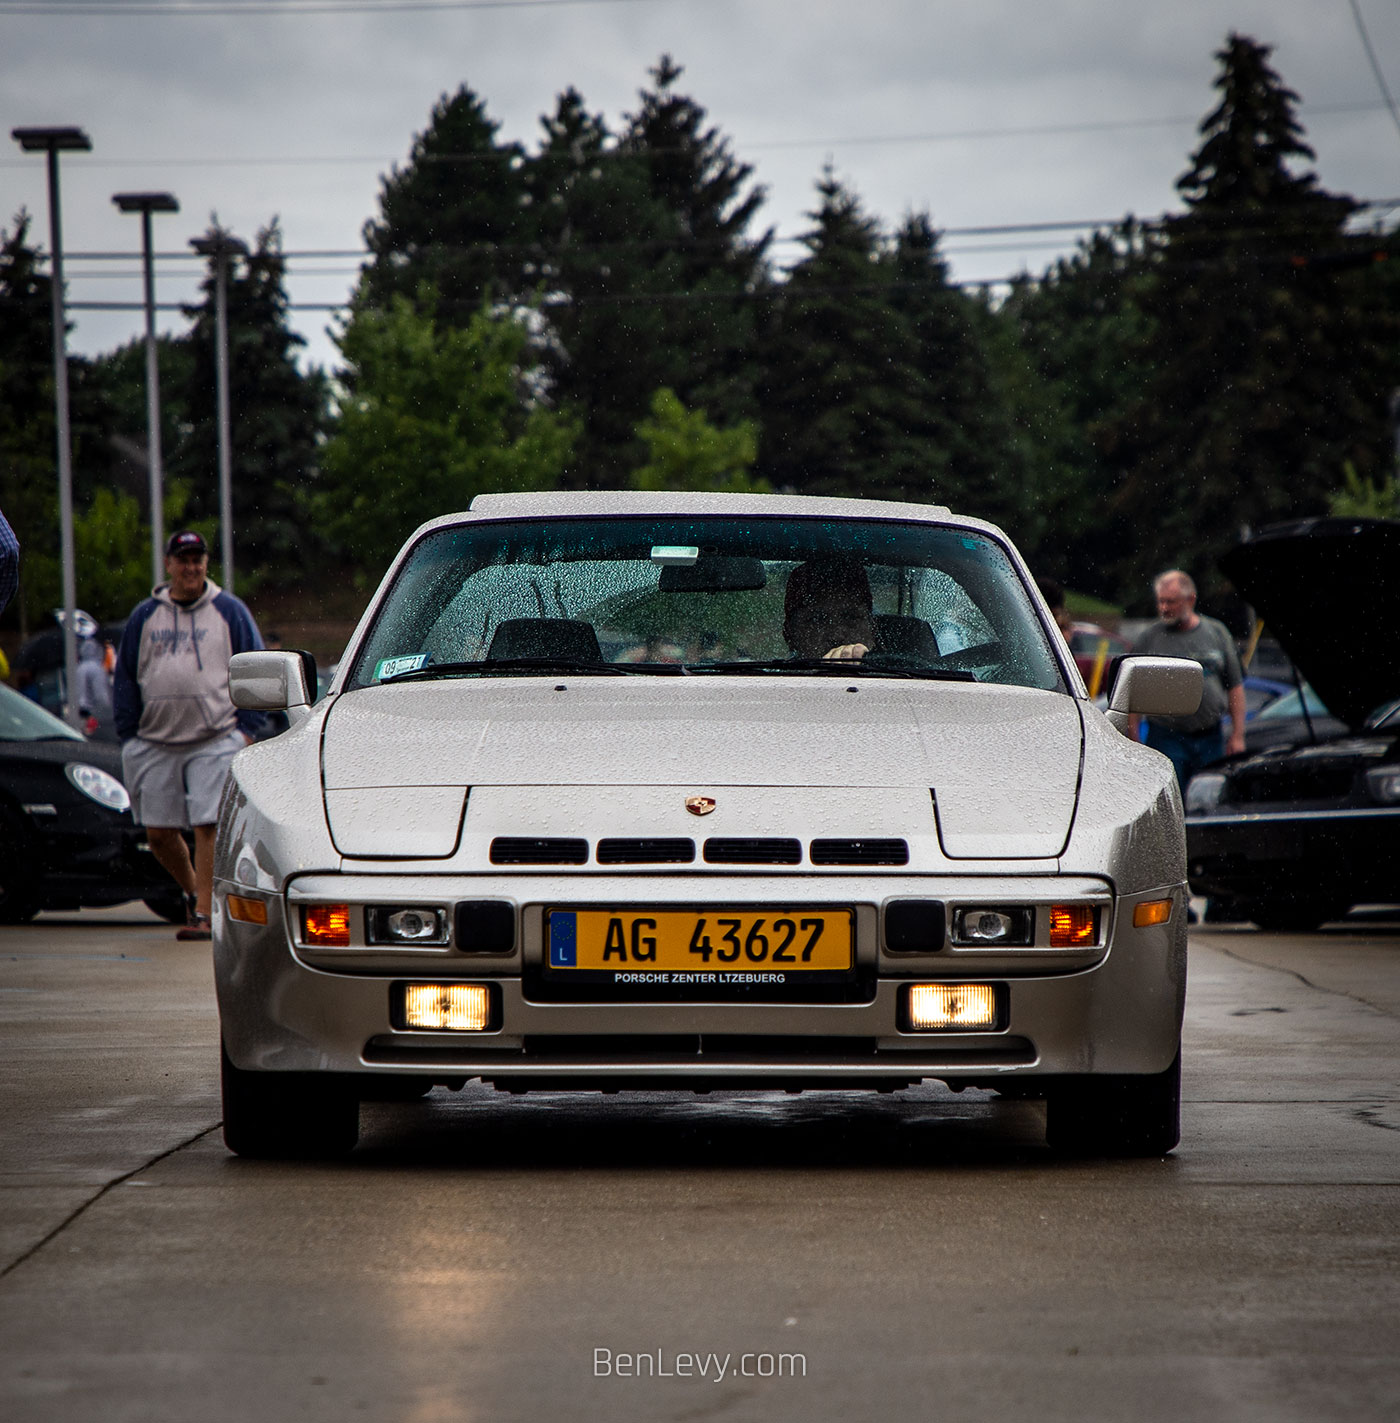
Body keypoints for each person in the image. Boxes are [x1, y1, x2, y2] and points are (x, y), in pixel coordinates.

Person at [114, 531, 265, 940]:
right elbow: (126, 676)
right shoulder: (146, 616)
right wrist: (129, 734)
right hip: (154, 739)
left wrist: (247, 730)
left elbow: (255, 667)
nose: (191, 567)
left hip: (215, 736)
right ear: (168, 565)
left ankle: (202, 914)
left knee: (207, 825)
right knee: (159, 835)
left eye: (198, 559)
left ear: (206, 563)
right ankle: (196, 891)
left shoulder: (229, 611)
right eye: (183, 560)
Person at [1130, 569, 1245, 791]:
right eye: (1161, 601)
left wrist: (1238, 735)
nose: (1164, 608)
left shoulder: (1217, 633)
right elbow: (1134, 691)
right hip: (1166, 736)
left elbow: (1235, 686)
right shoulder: (1149, 639)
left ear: (1190, 599)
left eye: (1171, 602)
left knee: (1209, 797)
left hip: (1210, 734)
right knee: (1171, 798)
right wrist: (1133, 739)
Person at [782, 556, 877, 660]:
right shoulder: (770, 675)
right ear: (789, 635)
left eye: (851, 618)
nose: (837, 636)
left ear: (873, 629)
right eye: (817, 620)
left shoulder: (892, 673)